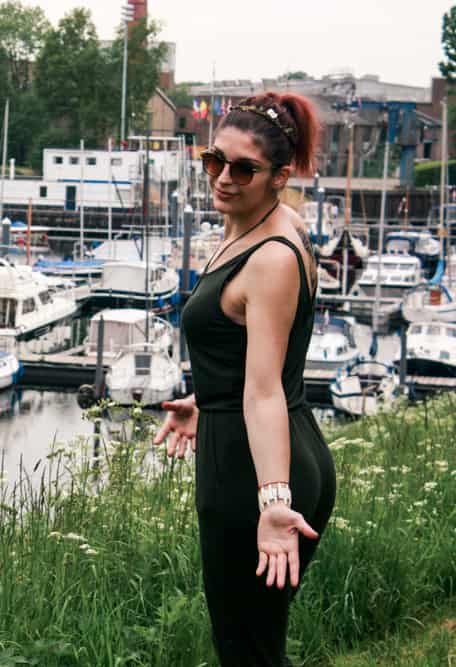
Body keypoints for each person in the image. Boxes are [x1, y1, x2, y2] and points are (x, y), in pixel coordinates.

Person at [154, 92, 337, 666]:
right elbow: (258, 361)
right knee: (250, 644)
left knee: (248, 651)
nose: (223, 178)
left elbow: (263, 392)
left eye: (244, 169)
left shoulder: (273, 256)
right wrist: (205, 401)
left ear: (282, 175)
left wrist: (273, 503)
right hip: (247, 441)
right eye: (215, 161)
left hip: (254, 472)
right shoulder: (260, 226)